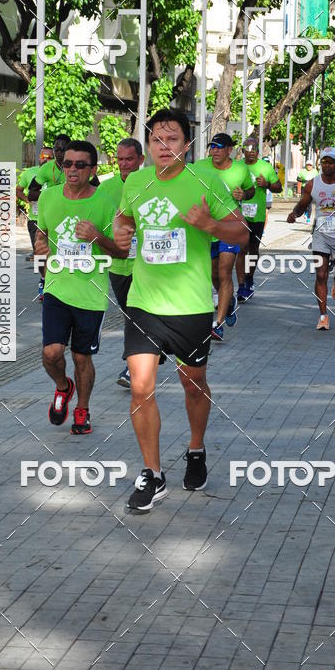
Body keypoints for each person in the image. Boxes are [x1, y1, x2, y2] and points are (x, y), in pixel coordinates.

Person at [113, 110, 248, 511]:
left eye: (172, 139)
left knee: (193, 384)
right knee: (140, 387)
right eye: (157, 139)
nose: (164, 146)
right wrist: (122, 228)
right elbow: (124, 219)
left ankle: (195, 448)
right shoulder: (136, 181)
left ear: (186, 145)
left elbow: (241, 230)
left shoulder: (206, 182)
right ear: (148, 145)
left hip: (190, 305)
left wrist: (210, 224)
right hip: (144, 302)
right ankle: (153, 474)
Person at [35, 141, 126, 435]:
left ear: (92, 170)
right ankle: (64, 386)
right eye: (67, 163)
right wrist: (39, 247)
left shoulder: (103, 202)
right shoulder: (48, 197)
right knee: (51, 353)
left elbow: (122, 251)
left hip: (90, 293)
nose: (72, 169)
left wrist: (98, 236)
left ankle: (82, 408)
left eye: (79, 165)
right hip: (57, 288)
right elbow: (42, 234)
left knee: (81, 357)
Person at [191, 133, 254, 341]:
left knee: (225, 272)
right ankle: (228, 303)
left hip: (229, 227)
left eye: (219, 147)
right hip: (207, 230)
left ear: (229, 150)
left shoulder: (241, 169)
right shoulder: (199, 166)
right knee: (214, 276)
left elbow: (251, 190)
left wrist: (244, 195)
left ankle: (217, 325)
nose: (214, 150)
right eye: (212, 147)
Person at [97, 137, 145, 387]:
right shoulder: (106, 189)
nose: (124, 164)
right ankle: (142, 356)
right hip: (118, 264)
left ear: (141, 160)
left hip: (147, 264)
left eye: (129, 159)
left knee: (139, 313)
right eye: (120, 159)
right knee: (131, 314)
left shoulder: (151, 184)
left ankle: (132, 365)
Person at [287, 148, 335, 330]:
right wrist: (294, 214)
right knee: (320, 275)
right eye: (324, 162)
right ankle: (323, 316)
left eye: (330, 162)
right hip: (320, 234)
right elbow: (303, 204)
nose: (326, 165)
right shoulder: (313, 184)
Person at [236, 138, 282, 301]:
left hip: (258, 215)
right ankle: (241, 287)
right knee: (241, 249)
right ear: (242, 150)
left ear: (257, 150)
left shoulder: (265, 167)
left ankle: (249, 278)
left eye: (253, 148)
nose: (249, 151)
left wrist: (267, 184)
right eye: (246, 148)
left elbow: (279, 187)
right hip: (238, 213)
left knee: (253, 249)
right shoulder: (237, 166)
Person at [17, 147, 53, 299]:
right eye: (43, 156)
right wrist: (28, 201)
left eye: (49, 157)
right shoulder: (30, 172)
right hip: (35, 219)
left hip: (52, 219)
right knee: (39, 253)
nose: (46, 159)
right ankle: (44, 279)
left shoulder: (57, 173)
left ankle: (51, 285)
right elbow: (18, 190)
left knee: (51, 253)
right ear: (39, 157)